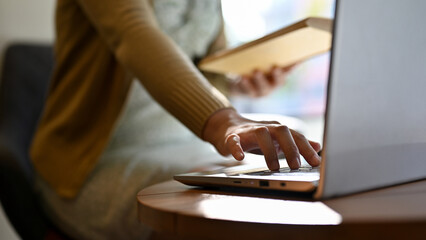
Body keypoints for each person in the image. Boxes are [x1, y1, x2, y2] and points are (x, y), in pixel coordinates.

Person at [30, 0, 322, 239]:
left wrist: (237, 81)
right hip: (94, 159)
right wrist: (226, 121)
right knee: (219, 218)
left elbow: (203, 60)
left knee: (288, 167)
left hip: (187, 143)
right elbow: (134, 34)